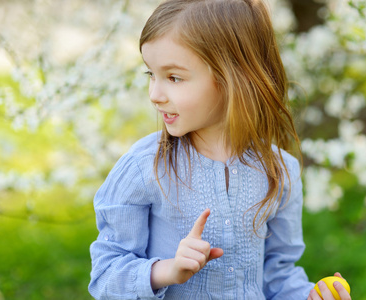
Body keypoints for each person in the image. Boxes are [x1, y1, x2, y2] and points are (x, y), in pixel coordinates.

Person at [89, 0, 352, 299]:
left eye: (173, 77)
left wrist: (310, 296)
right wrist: (167, 270)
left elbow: (278, 276)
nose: (155, 95)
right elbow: (105, 276)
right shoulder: (143, 167)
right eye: (150, 74)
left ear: (233, 77)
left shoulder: (281, 171)